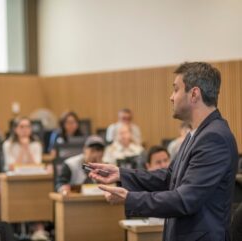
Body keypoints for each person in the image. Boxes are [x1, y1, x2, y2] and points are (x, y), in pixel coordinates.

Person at [89, 62, 239, 241]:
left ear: (194, 94)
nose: (171, 97)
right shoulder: (197, 133)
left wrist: (130, 198)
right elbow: (170, 177)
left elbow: (185, 200)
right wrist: (121, 174)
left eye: (176, 90)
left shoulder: (214, 138)